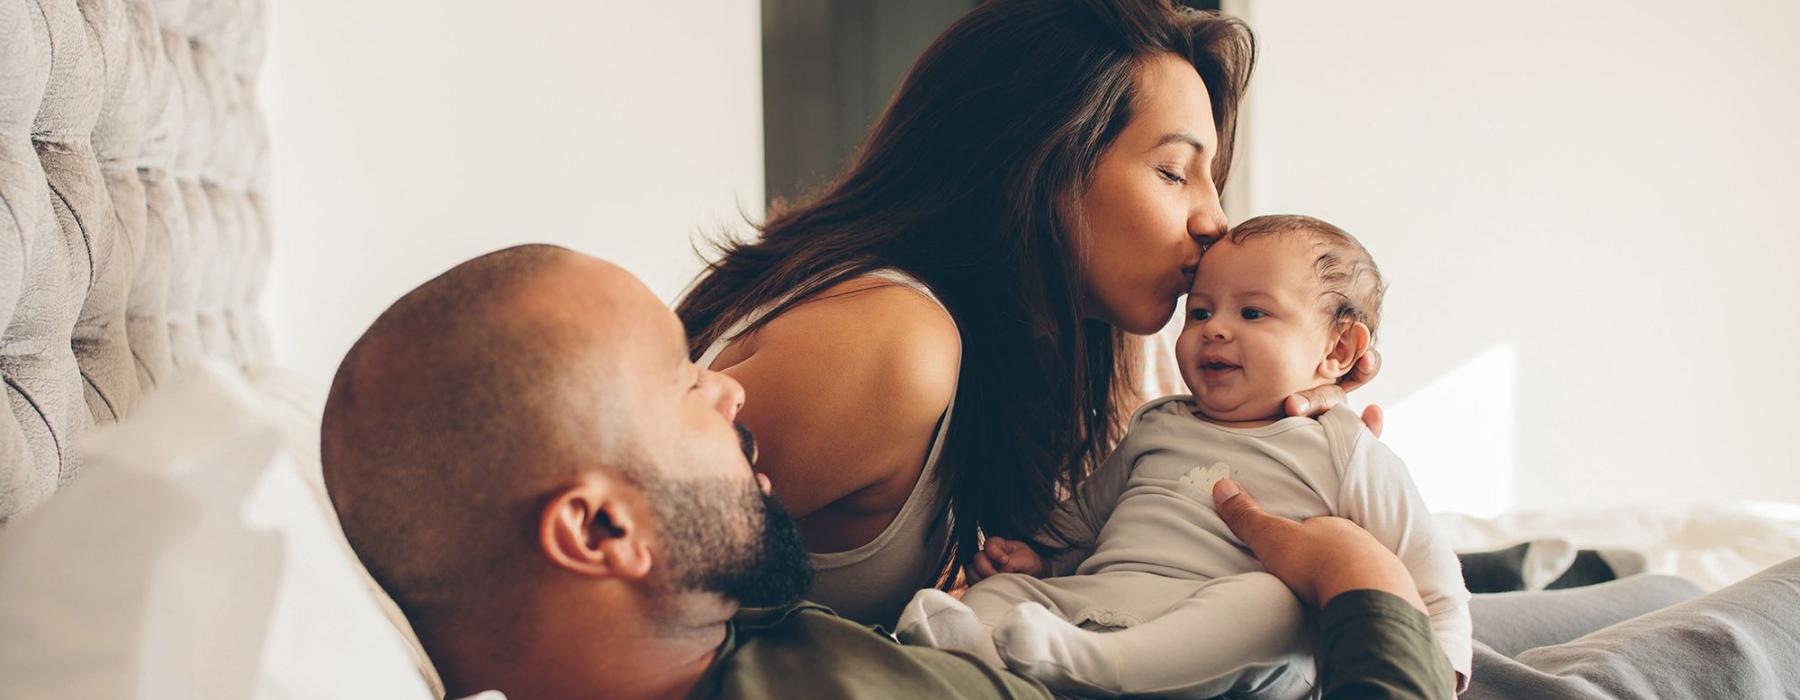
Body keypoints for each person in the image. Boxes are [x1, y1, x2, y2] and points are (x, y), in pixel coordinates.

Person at [320, 245, 1457, 699]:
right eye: (683, 382)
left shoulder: (731, 642)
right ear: (599, 532)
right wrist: (1354, 577)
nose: (733, 390)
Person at [675, 0, 1381, 629]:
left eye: (1211, 178)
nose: (1214, 220)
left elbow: (1104, 576)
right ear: (1035, 161)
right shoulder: (889, 342)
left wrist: (1271, 432)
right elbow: (611, 584)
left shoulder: (1053, 343)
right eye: (1173, 171)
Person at [896, 215, 1470, 697]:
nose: (1214, 330)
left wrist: (1440, 669)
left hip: (1219, 641)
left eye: (1252, 314)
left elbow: (1428, 574)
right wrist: (1037, 561)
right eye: (1199, 312)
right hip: (1101, 604)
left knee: (1273, 602)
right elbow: (1086, 522)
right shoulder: (1158, 423)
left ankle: (1099, 667)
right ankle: (971, 648)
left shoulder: (1342, 447)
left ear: (1339, 348)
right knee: (1005, 594)